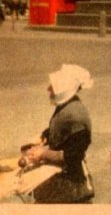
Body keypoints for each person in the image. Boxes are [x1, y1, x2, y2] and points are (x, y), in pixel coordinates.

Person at [23, 64, 94, 203]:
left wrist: (43, 154)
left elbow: (73, 155)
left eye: (53, 87)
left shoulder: (77, 116)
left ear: (64, 91)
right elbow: (60, 129)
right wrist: (44, 137)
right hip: (62, 175)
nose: (48, 89)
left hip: (73, 183)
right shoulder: (66, 106)